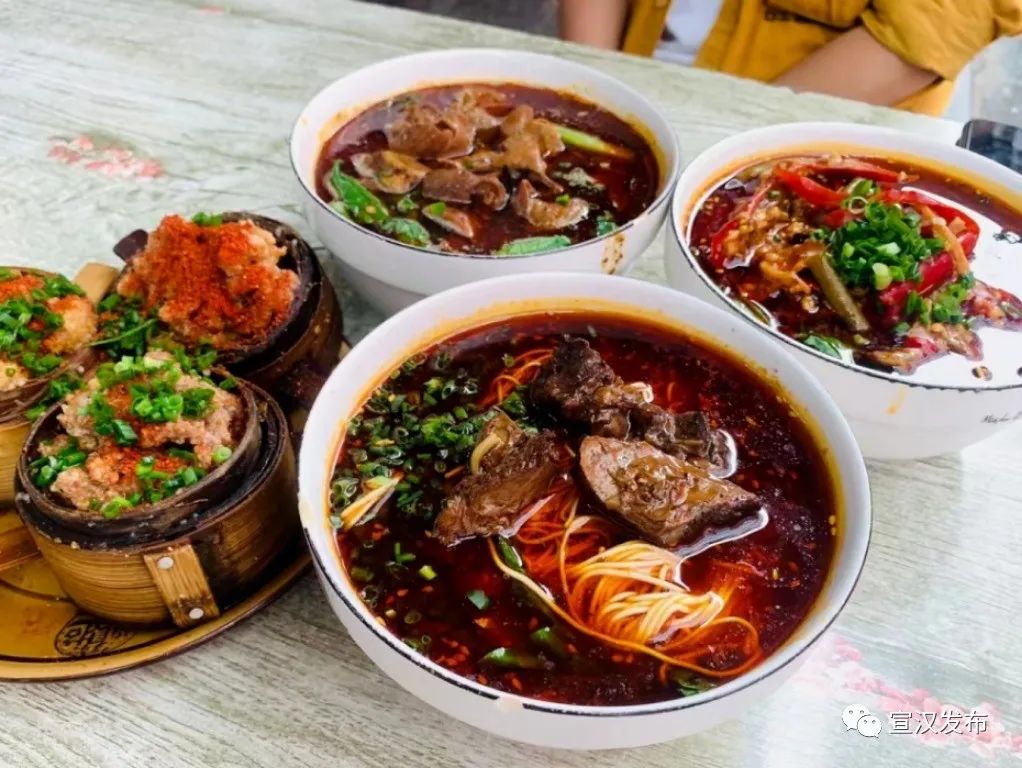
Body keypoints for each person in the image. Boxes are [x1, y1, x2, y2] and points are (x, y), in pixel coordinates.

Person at [560, 0, 1022, 116]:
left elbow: (928, 31)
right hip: (633, 67)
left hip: (816, 127)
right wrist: (596, 95)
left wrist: (715, 156)